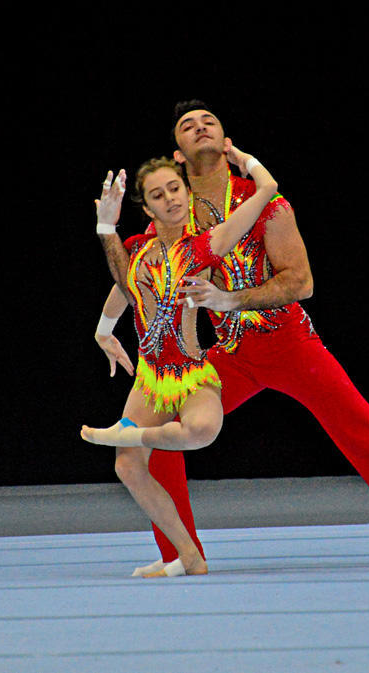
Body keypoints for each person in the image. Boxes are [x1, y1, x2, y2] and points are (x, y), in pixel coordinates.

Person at [95, 100, 369, 572]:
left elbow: (301, 283)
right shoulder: (174, 212)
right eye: (188, 125)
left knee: (365, 434)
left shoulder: (266, 204)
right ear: (178, 154)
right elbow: (137, 275)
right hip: (230, 352)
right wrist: (104, 327)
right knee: (162, 432)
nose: (200, 127)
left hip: (289, 343)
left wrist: (230, 300)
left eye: (209, 121)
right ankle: (181, 555)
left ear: (227, 142)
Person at [81, 145, 280, 577]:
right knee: (127, 466)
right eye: (158, 194)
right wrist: (103, 330)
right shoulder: (137, 249)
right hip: (151, 377)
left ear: (187, 192)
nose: (169, 198)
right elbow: (123, 286)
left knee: (203, 431)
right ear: (146, 207)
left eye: (175, 188)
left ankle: (129, 433)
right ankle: (188, 556)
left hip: (191, 372)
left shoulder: (207, 243)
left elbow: (268, 189)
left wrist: (244, 160)